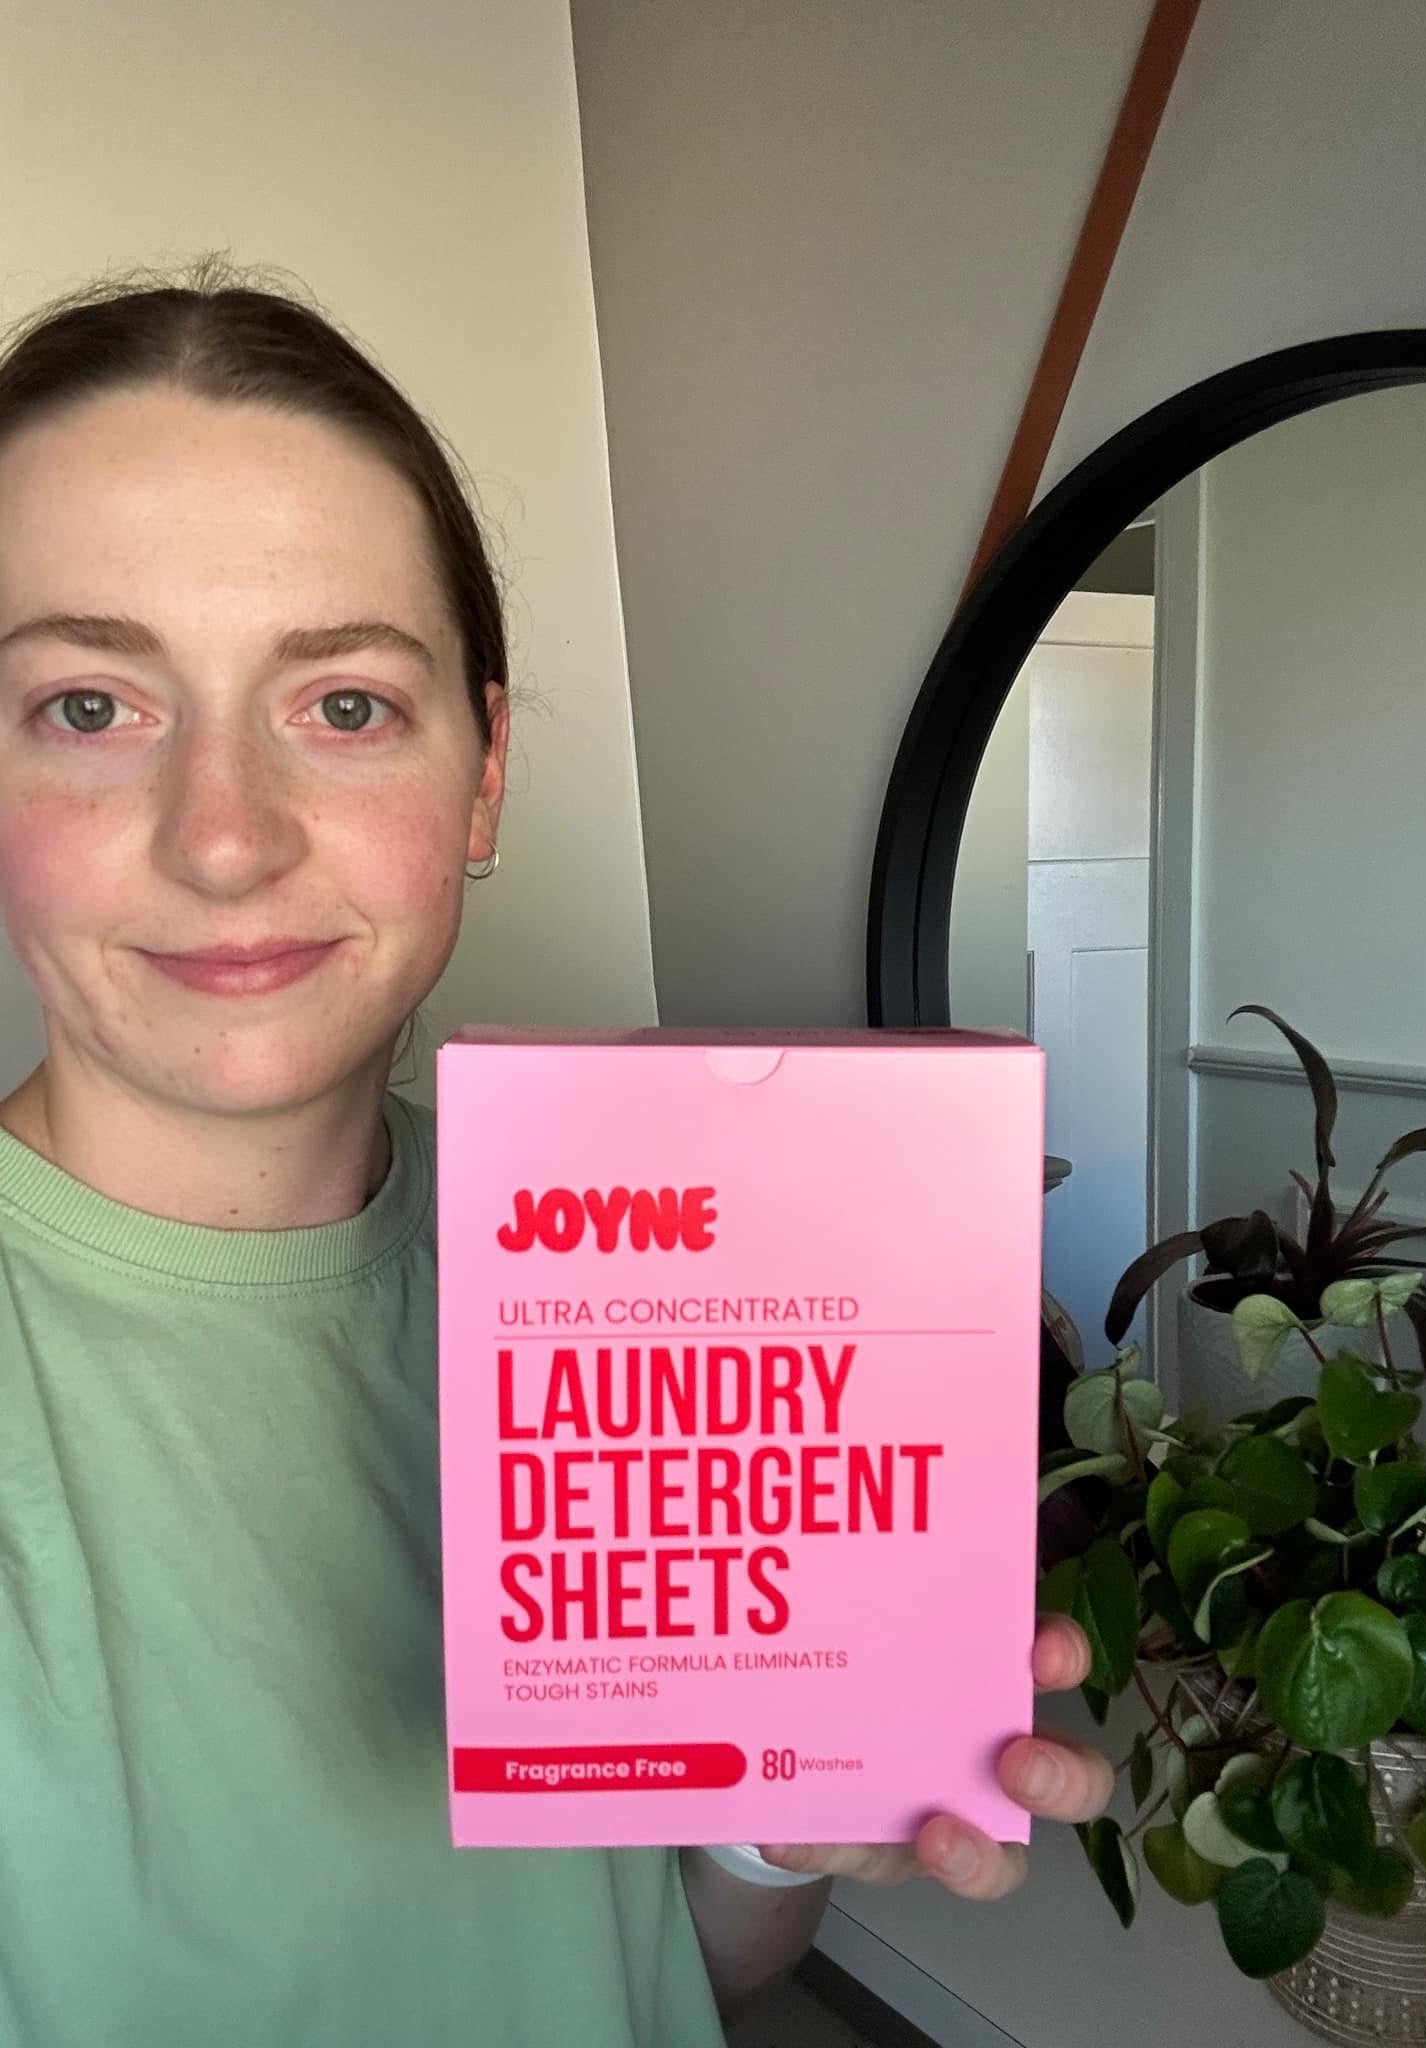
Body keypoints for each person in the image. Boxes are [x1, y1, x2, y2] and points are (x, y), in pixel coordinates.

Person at [0, 256, 1113, 2047]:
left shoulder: (646, 1283)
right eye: (88, 705)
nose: (221, 839)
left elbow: (663, 1970)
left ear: (487, 771)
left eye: (344, 704)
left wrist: (781, 1814)